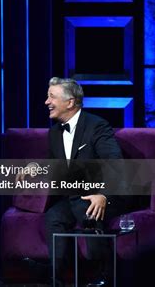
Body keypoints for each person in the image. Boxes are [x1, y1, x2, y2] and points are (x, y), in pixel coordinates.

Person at [43, 77, 128, 285]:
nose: (46, 101)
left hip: (106, 194)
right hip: (76, 196)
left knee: (86, 208)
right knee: (54, 216)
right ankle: (55, 278)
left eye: (51, 96)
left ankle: (105, 276)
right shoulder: (54, 133)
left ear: (70, 102)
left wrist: (103, 195)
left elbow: (114, 163)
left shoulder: (97, 126)